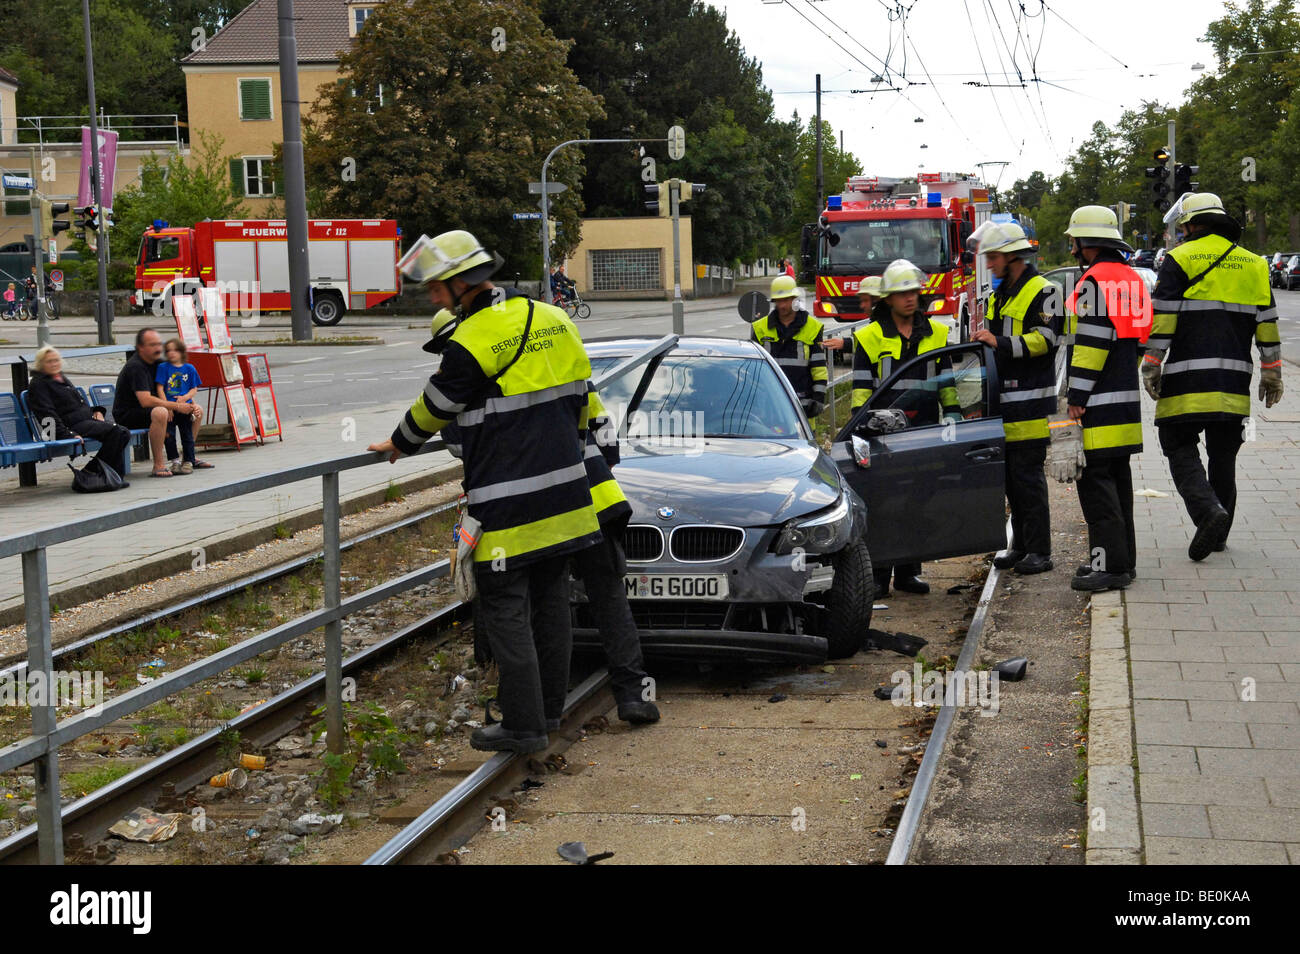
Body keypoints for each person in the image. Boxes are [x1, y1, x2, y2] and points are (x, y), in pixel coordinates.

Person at [368, 230, 602, 754]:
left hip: (508, 502)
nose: (431, 297)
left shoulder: (471, 338)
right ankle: (549, 713)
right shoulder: (555, 319)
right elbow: (585, 403)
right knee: (551, 607)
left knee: (505, 611)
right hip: (567, 496)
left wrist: (400, 443)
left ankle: (522, 725)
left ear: (460, 284)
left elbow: (436, 403)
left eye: (436, 288)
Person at [428, 309, 659, 726]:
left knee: (533, 606)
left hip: (540, 513)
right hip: (596, 496)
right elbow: (606, 437)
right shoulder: (553, 367)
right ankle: (633, 695)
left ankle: (534, 708)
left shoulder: (470, 393)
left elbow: (473, 457)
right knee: (607, 598)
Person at [1143, 192, 1282, 561]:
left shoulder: (1178, 259)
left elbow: (1164, 316)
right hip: (1234, 383)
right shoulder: (1254, 264)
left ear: (1188, 225)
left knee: (1176, 442)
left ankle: (1208, 513)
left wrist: (1152, 362)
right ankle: (1219, 535)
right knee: (1224, 455)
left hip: (1188, 381)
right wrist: (1272, 372)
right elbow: (1266, 322)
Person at [851, 258, 960, 597]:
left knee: (917, 501)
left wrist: (954, 415)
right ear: (887, 299)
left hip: (924, 430)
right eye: (902, 294)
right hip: (883, 437)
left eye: (913, 292)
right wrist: (862, 431)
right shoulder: (867, 337)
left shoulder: (937, 333)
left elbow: (947, 383)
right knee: (883, 503)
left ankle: (909, 572)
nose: (910, 299)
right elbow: (860, 390)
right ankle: (880, 574)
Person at [1062, 206, 1150, 592]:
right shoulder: (1130, 278)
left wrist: (1077, 394)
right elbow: (1141, 337)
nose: (1072, 248)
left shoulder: (1093, 281)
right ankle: (1122, 562)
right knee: (1118, 479)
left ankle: (1109, 568)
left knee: (1096, 485)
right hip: (1125, 398)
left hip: (1098, 401)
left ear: (1085, 242)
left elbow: (1091, 344)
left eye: (1074, 241)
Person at [973, 222, 1061, 576]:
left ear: (1012, 257)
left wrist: (1000, 343)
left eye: (993, 257)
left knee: (1028, 479)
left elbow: (1047, 339)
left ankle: (1040, 550)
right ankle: (1020, 545)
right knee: (1011, 480)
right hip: (1003, 402)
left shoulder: (1046, 290)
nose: (990, 264)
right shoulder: (999, 295)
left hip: (1030, 402)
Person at [25, 346, 131, 487]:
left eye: (56, 360)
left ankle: (114, 477)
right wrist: (68, 434)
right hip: (70, 426)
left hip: (84, 421)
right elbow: (46, 414)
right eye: (49, 361)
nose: (54, 364)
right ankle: (91, 471)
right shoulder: (39, 384)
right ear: (40, 364)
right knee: (116, 432)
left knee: (123, 432)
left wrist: (97, 411)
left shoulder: (60, 378)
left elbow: (77, 406)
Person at [113, 328, 204, 478]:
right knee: (160, 412)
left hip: (157, 406)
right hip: (129, 413)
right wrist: (175, 406)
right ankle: (158, 465)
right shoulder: (136, 366)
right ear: (141, 348)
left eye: (159, 344)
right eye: (152, 345)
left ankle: (189, 457)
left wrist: (191, 405)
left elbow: (179, 386)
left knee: (197, 410)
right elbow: (145, 400)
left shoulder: (160, 364)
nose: (158, 348)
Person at [750, 275, 828, 418]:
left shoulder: (813, 327)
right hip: (769, 407)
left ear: (795, 300)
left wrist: (818, 399)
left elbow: (819, 369)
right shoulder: (760, 328)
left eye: (786, 300)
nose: (782, 305)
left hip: (803, 407)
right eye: (778, 301)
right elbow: (754, 372)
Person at [154, 338, 213, 474]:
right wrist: (167, 407)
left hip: (185, 408)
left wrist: (185, 398)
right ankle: (174, 461)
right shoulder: (163, 368)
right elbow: (160, 388)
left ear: (182, 352)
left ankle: (188, 461)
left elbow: (194, 388)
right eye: (168, 351)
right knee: (169, 436)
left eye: (175, 350)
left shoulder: (189, 368)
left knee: (187, 435)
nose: (171, 353)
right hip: (170, 409)